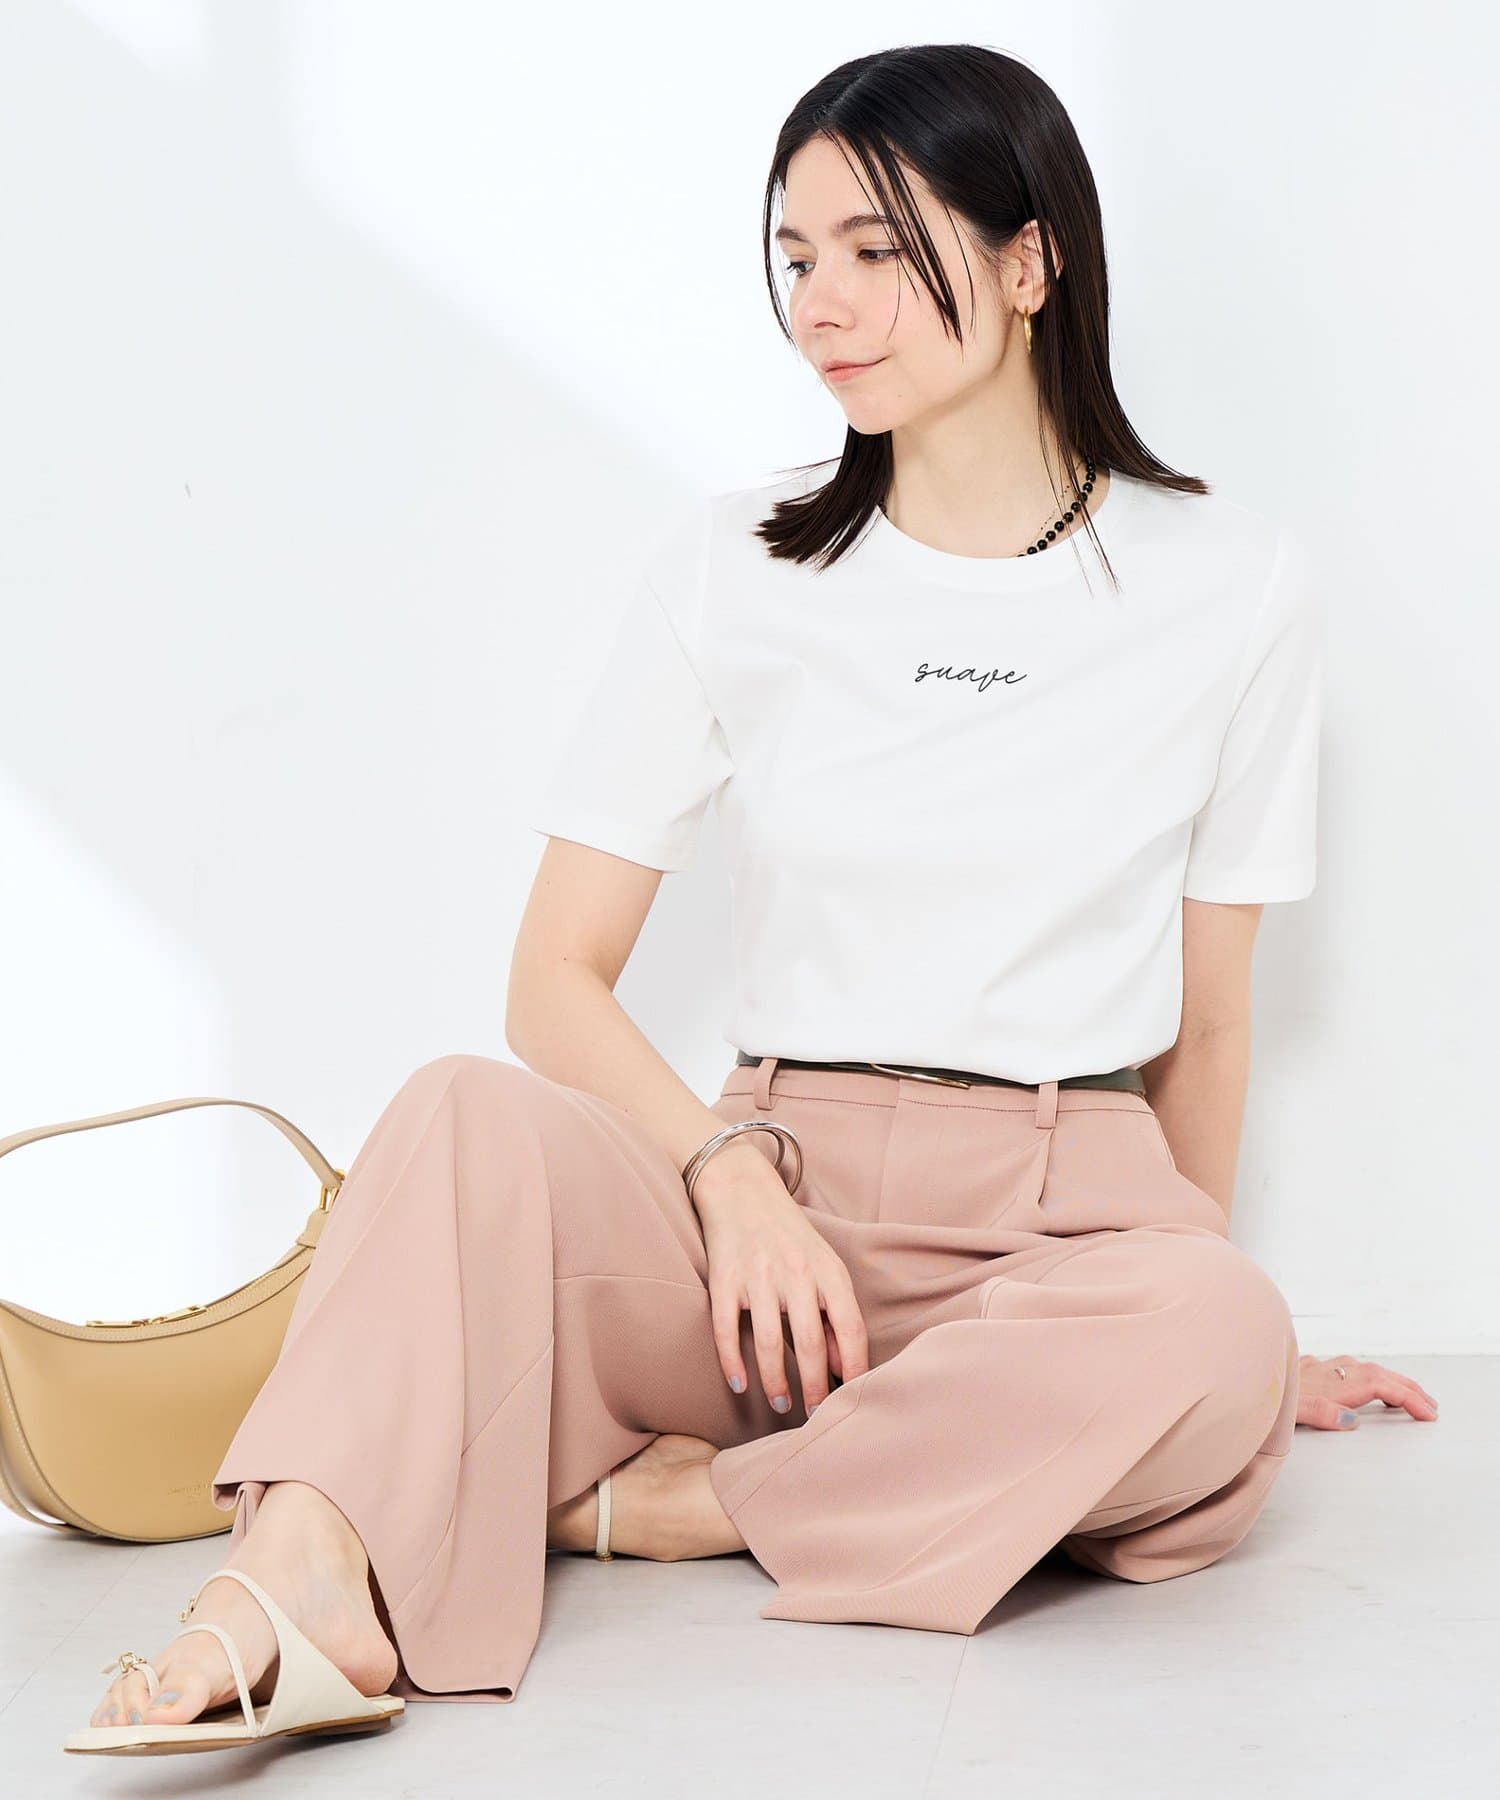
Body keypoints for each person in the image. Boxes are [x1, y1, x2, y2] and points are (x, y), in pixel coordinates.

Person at [77, 42, 1437, 1750]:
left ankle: (684, 1506)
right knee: (456, 1115)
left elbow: (1214, 1022)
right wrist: (727, 1177)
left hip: (1058, 1218)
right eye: (796, 257)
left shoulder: (1226, 582)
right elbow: (553, 976)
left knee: (1214, 1322)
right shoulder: (740, 562)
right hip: (759, 1215)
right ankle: (290, 1583)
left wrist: (1209, 1348)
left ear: (1029, 262)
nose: (822, 305)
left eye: (876, 248)